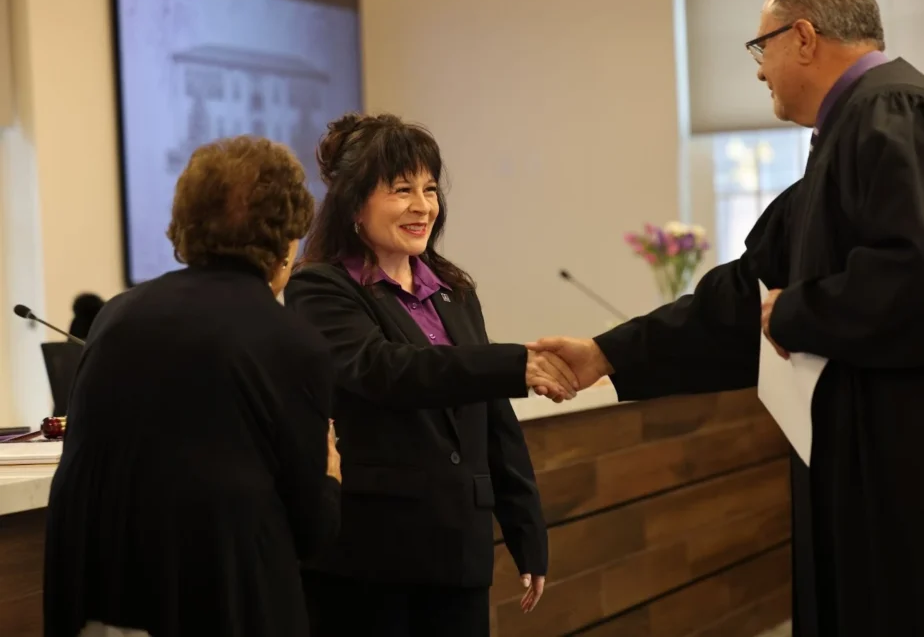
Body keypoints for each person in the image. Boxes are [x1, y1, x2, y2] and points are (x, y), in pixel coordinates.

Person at [527, 0, 924, 637]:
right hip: (879, 471)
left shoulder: (897, 113)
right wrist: (605, 353)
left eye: (761, 48)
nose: (759, 71)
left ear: (804, 36)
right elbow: (740, 297)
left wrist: (798, 312)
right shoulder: (845, 140)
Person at [44, 136, 343, 637]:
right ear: (287, 236)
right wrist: (331, 474)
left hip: (103, 607)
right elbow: (312, 531)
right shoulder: (290, 340)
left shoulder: (118, 314)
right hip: (229, 607)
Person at [285, 113, 566, 637]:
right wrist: (514, 364)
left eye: (430, 189)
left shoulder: (455, 291)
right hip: (371, 558)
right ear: (353, 204)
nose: (423, 206)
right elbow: (387, 371)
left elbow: (493, 418)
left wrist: (526, 529)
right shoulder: (320, 289)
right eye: (401, 190)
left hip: (458, 551)